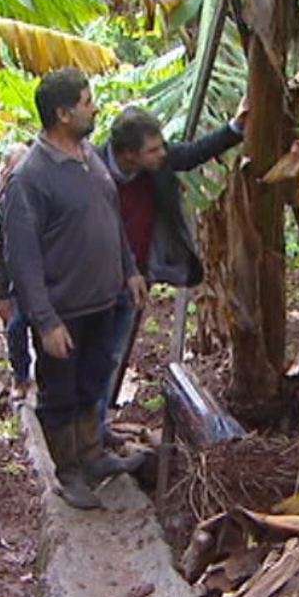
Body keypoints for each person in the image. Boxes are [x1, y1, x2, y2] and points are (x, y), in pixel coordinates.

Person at [0, 68, 146, 510]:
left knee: (93, 383)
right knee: (60, 395)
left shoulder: (88, 156)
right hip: (65, 311)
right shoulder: (32, 176)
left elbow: (111, 219)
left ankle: (92, 455)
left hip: (103, 301)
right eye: (87, 101)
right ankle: (67, 471)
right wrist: (45, 322)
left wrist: (130, 269)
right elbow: (22, 258)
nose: (95, 107)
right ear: (63, 114)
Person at [99, 105, 246, 429]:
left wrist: (235, 126)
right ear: (128, 154)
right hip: (96, 282)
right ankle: (81, 437)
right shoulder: (91, 170)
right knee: (91, 359)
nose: (162, 154)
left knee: (111, 356)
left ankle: (98, 432)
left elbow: (192, 153)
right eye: (153, 150)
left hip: (136, 278)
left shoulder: (155, 165)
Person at [0, 143, 33, 396]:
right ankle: (20, 377)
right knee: (15, 327)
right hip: (17, 279)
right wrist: (1, 294)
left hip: (45, 276)